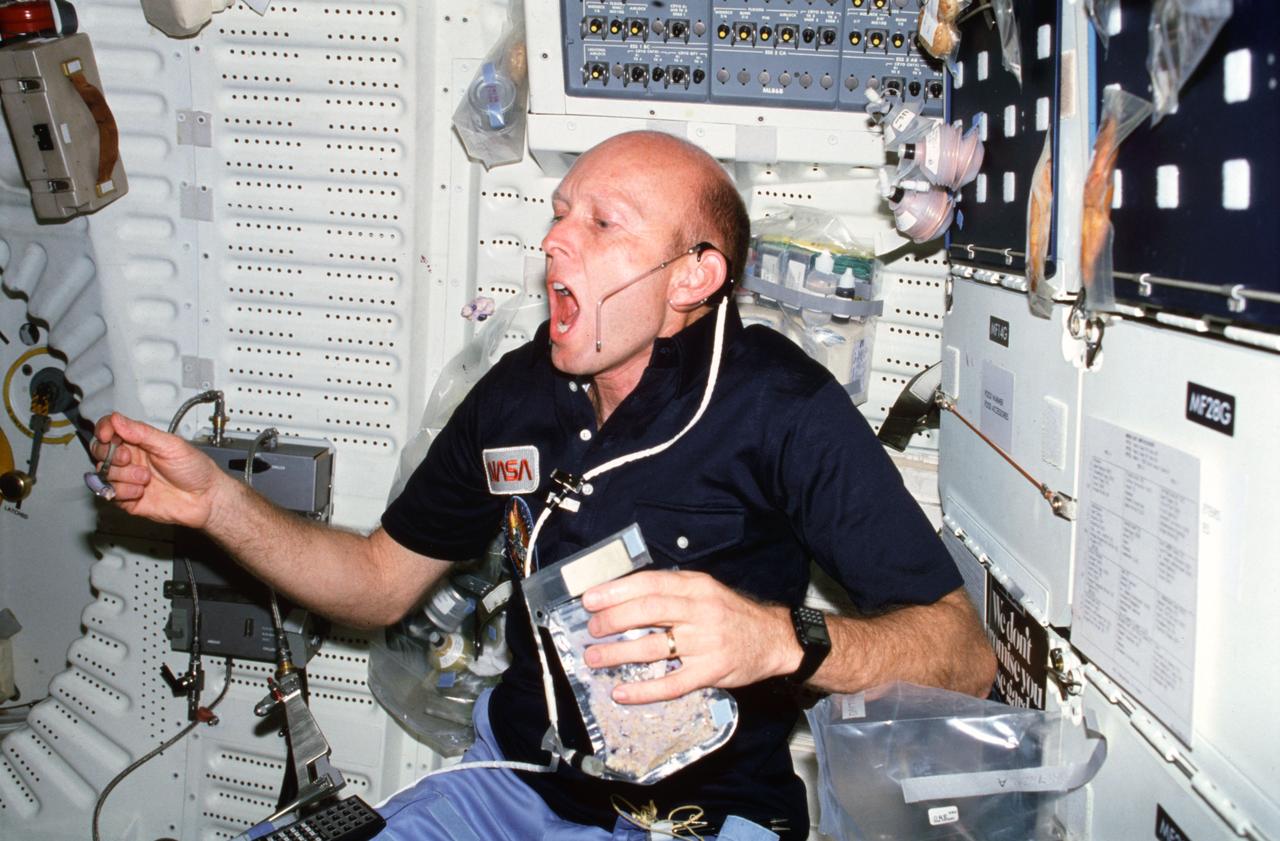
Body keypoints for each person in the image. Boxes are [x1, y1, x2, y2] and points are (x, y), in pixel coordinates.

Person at [93, 130, 996, 840]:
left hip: (709, 814)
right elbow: (375, 581)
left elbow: (967, 657)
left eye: (605, 223)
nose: (556, 238)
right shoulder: (521, 395)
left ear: (694, 275)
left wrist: (781, 638)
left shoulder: (781, 404)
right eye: (563, 214)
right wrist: (217, 503)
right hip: (513, 788)